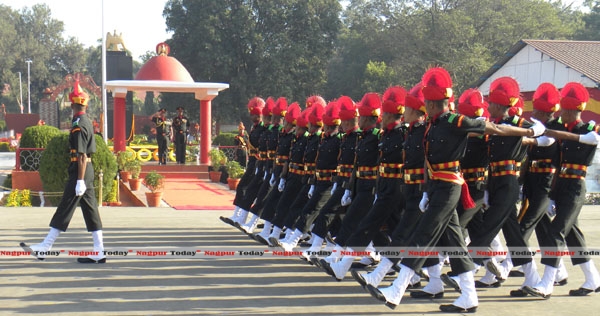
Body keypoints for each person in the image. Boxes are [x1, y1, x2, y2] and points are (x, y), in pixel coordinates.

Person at [365, 68, 546, 313]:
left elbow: (494, 129)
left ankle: (396, 289)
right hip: (438, 186)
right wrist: (427, 191)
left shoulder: (455, 121)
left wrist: (529, 132)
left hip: (450, 187)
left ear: (431, 103)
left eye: (427, 103)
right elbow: (429, 161)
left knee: (423, 234)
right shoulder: (433, 124)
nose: (425, 107)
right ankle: (469, 297)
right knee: (456, 244)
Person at [20, 80, 106, 264]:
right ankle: (99, 250)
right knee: (90, 210)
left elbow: (82, 155)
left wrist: (80, 180)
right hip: (85, 169)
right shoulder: (85, 121)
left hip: (80, 170)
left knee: (65, 207)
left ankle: (45, 247)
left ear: (73, 105)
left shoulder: (79, 124)